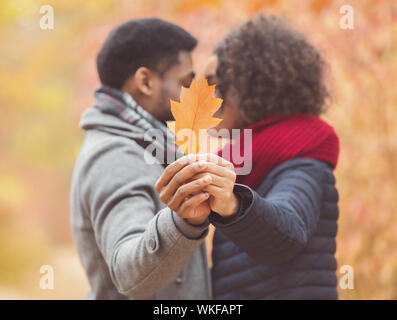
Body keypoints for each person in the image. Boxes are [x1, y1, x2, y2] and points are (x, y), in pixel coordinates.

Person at [155, 14, 340, 299]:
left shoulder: (304, 157)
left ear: (253, 85)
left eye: (214, 83)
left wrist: (231, 203)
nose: (205, 98)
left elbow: (287, 235)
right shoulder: (241, 164)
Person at [70, 17, 245, 299]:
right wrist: (184, 222)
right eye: (184, 81)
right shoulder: (116, 155)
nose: (191, 94)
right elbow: (129, 274)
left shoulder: (144, 144)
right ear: (146, 81)